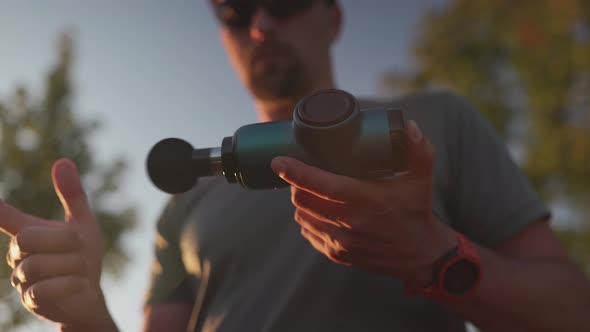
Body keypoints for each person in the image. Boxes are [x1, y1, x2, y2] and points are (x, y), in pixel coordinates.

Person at [1, 1, 590, 331]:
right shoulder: (186, 200)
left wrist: (431, 256)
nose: (260, 26)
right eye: (234, 11)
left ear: (332, 17)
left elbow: (571, 311)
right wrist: (84, 317)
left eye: (283, 1)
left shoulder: (431, 125)